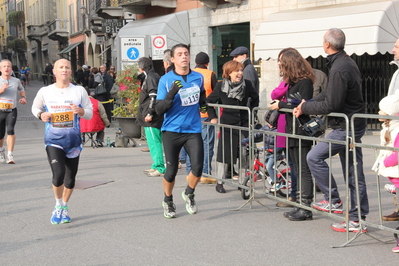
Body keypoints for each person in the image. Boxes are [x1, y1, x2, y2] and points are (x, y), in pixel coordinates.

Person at [294, 28, 369, 232]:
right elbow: (328, 93)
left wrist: (305, 107)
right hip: (350, 125)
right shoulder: (345, 62)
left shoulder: (340, 67)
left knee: (314, 157)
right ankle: (357, 219)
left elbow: (331, 104)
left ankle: (334, 200)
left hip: (346, 127)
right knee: (354, 173)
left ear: (327, 44)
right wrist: (307, 103)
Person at [31, 58, 93, 225]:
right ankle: (58, 205)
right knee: (58, 175)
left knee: (70, 179)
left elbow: (89, 112)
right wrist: (41, 115)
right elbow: (35, 108)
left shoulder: (79, 91)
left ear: (71, 71)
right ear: (54, 71)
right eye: (61, 67)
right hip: (53, 140)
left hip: (73, 142)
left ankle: (64, 206)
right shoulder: (45, 91)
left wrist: (80, 111)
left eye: (67, 67)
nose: (64, 70)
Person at [155, 44, 207, 218]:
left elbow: (201, 96)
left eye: (186, 54)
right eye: (179, 54)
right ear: (173, 59)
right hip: (171, 130)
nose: (184, 57)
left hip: (193, 129)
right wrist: (171, 93)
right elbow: (160, 109)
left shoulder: (198, 77)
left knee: (198, 167)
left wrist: (207, 109)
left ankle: (189, 193)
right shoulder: (166, 80)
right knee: (171, 171)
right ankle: (168, 200)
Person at [270, 48, 315, 221]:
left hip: (301, 129)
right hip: (291, 129)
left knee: (303, 170)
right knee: (296, 168)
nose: (279, 64)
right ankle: (299, 205)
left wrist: (280, 106)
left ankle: (306, 207)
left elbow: (302, 107)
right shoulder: (292, 81)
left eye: (282, 61)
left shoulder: (305, 82)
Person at [207, 60, 259, 193]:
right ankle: (220, 182)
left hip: (243, 124)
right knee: (224, 154)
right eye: (237, 71)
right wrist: (213, 117)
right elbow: (209, 101)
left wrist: (251, 113)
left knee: (243, 154)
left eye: (241, 70)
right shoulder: (220, 86)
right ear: (229, 73)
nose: (240, 73)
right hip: (227, 124)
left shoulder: (246, 84)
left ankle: (242, 183)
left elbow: (255, 98)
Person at [185, 52, 218, 184]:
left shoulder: (190, 74)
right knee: (206, 144)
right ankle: (205, 172)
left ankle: (190, 172)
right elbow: (215, 94)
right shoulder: (211, 74)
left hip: (191, 114)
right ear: (207, 63)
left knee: (190, 144)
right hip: (206, 115)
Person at [372, 92, 399, 224]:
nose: (378, 112)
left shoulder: (397, 129)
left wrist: (386, 162)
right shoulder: (389, 126)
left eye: (382, 110)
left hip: (395, 167)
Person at [137, 57, 165, 177]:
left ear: (141, 67)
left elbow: (153, 96)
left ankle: (159, 166)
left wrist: (150, 113)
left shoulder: (151, 77)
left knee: (154, 142)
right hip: (150, 113)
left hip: (151, 116)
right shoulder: (151, 76)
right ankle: (156, 164)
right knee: (153, 141)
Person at [0, 59, 27, 164]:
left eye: (8, 66)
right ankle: (1, 150)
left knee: (10, 130)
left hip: (11, 110)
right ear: (0, 69)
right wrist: (1, 90)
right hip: (0, 110)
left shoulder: (16, 81)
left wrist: (23, 97)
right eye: (4, 66)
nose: (7, 68)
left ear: (11, 69)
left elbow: (21, 89)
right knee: (0, 134)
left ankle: (10, 155)